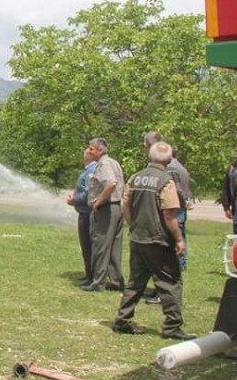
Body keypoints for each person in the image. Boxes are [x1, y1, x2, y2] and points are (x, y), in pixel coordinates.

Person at [112, 141, 194, 340]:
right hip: (158, 240)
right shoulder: (166, 181)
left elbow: (125, 204)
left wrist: (133, 225)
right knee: (171, 281)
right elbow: (169, 215)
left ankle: (123, 320)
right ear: (169, 159)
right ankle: (172, 326)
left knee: (135, 282)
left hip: (138, 238)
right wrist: (179, 239)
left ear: (150, 156)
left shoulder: (135, 177)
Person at [83, 137, 125, 292]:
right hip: (116, 208)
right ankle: (115, 281)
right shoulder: (114, 162)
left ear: (100, 150)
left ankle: (98, 282)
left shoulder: (104, 164)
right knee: (114, 246)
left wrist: (99, 200)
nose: (89, 151)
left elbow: (111, 183)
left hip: (107, 209)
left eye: (92, 148)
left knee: (100, 244)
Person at [67, 147, 97, 286]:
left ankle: (92, 277)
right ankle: (89, 274)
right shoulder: (88, 169)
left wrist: (74, 199)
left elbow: (88, 193)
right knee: (86, 246)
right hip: (85, 212)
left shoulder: (91, 170)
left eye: (84, 153)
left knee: (88, 245)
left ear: (89, 156)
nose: (83, 156)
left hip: (87, 213)